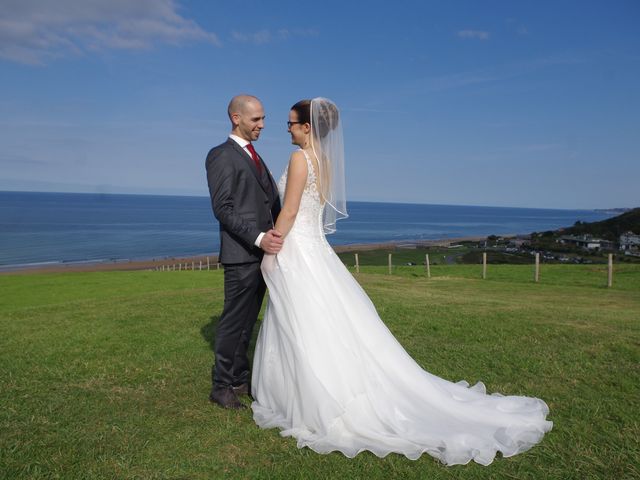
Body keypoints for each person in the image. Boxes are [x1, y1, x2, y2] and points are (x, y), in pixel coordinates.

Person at [250, 97, 552, 465]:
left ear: (308, 127)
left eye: (292, 123)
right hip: (316, 248)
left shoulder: (300, 159)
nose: (287, 128)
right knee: (320, 320)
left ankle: (313, 396)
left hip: (298, 246)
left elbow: (292, 210)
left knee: (304, 320)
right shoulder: (325, 162)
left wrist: (272, 248)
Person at [205, 94, 282, 410]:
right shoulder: (221, 155)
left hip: (262, 255)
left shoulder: (254, 156)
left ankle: (239, 377)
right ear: (236, 118)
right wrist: (260, 237)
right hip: (242, 253)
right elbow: (222, 209)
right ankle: (221, 386)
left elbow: (266, 202)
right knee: (233, 321)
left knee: (249, 320)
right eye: (256, 119)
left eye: (263, 118)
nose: (262, 125)